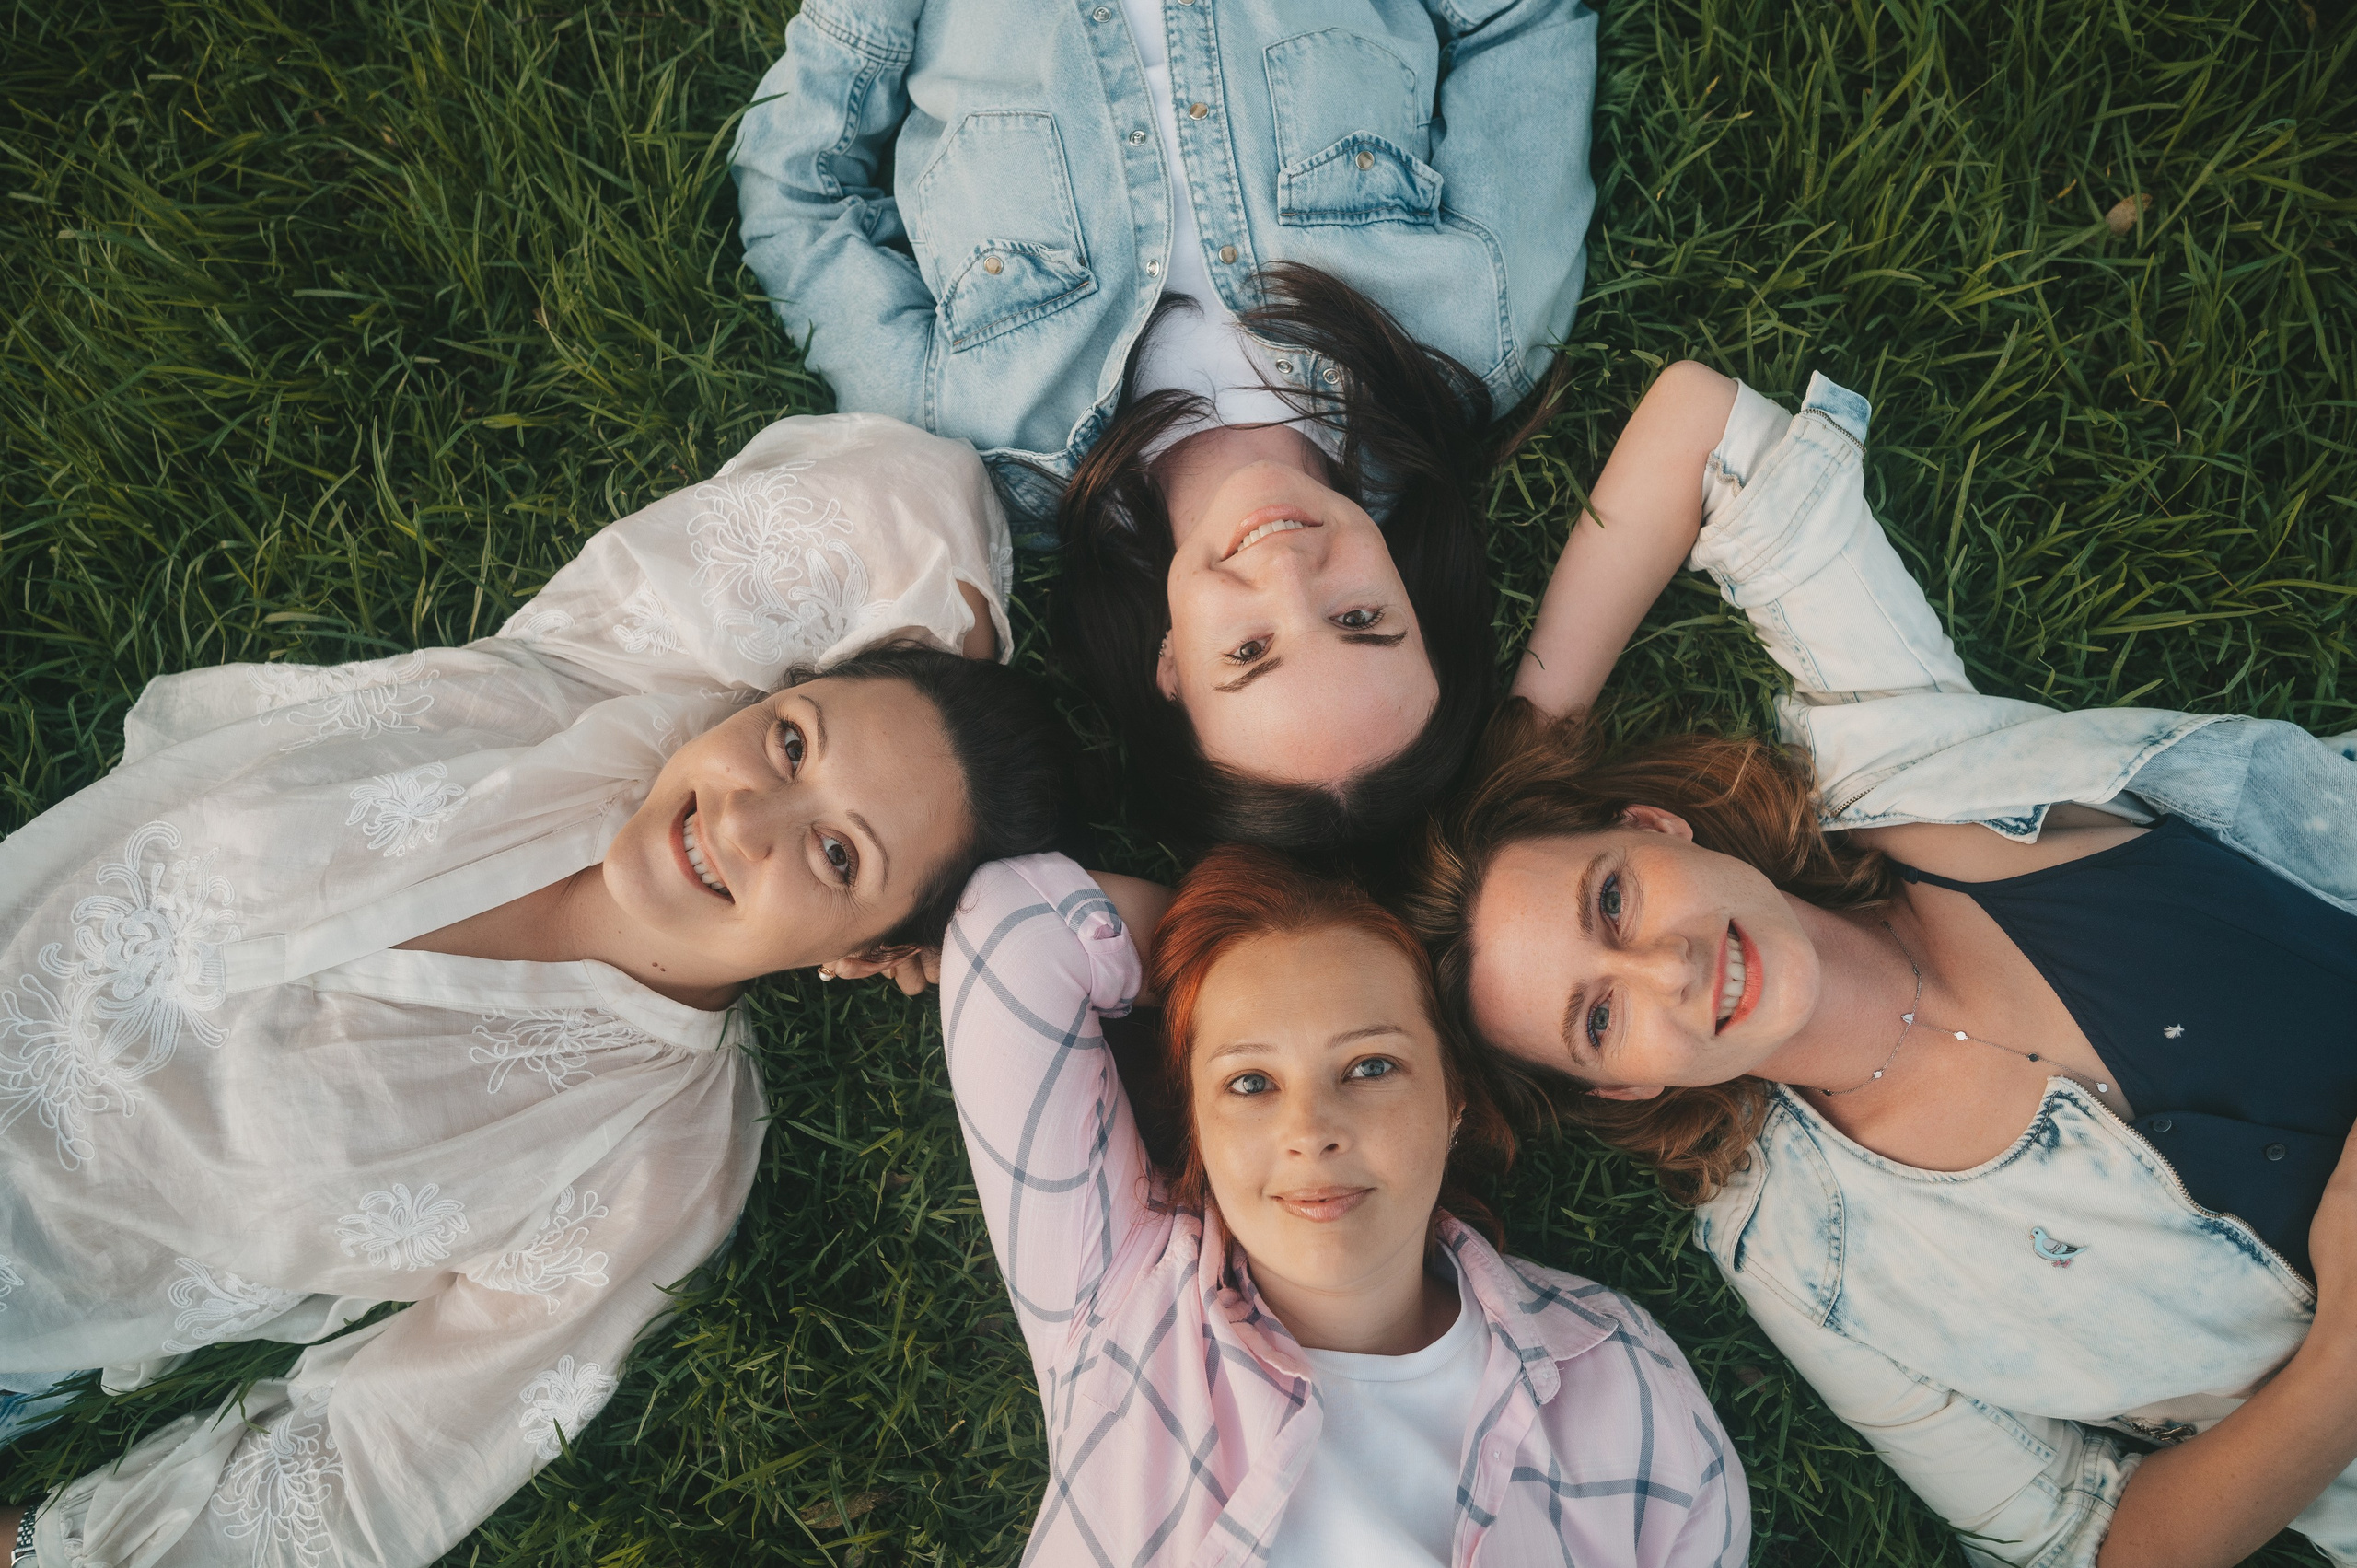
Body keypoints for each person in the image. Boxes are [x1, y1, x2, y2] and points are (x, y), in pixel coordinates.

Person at [0, 413, 1074, 1567]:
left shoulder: (659, 1158)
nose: (745, 819)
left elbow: (387, 1456)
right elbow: (909, 490)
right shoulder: (592, 693)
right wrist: (952, 691)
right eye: (793, 742)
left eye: (838, 858)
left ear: (865, 956)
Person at [1409, 365, 2357, 1566]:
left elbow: (1707, 426)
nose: (1671, 966)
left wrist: (1526, 748)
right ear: (1624, 1088)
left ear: (1655, 828)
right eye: (1599, 1018)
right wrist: (2340, 1369)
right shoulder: (1810, 1263)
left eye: (1613, 898)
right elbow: (2090, 1542)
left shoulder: (1895, 763)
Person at [730, 0, 1635, 848]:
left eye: (1248, 650)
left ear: (1170, 668)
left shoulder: (971, 436)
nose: (1286, 570)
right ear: (1413, 595)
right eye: (1358, 615)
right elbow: (1517, 24)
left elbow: (800, 195)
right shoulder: (1474, 333)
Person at [937, 842, 1747, 1565]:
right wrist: (1222, 956)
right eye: (1249, 1082)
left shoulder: (1617, 1376)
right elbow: (1013, 931)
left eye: (1369, 1067)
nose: (1310, 1131)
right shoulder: (1119, 1299)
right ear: (1198, 1129)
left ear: (1453, 1098)